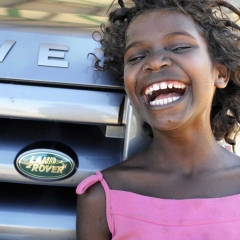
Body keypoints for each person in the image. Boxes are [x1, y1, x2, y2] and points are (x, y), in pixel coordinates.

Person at [76, 0, 240, 239]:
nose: (154, 62)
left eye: (179, 47)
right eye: (136, 57)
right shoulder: (102, 198)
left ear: (221, 73)